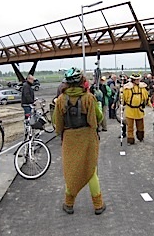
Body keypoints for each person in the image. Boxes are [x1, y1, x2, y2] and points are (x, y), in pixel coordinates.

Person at [54, 67, 106, 215]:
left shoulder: (61, 100)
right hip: (88, 137)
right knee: (91, 171)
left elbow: (56, 123)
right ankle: (98, 205)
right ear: (81, 81)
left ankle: (69, 204)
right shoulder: (89, 98)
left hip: (69, 139)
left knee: (71, 171)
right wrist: (99, 108)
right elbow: (99, 118)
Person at [123, 73, 150, 145]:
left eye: (138, 79)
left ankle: (140, 137)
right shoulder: (127, 88)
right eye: (136, 79)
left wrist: (150, 105)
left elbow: (146, 97)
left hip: (139, 109)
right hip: (130, 109)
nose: (138, 81)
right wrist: (122, 104)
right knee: (130, 126)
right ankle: (130, 139)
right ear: (133, 80)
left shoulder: (142, 88)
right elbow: (124, 98)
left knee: (140, 126)